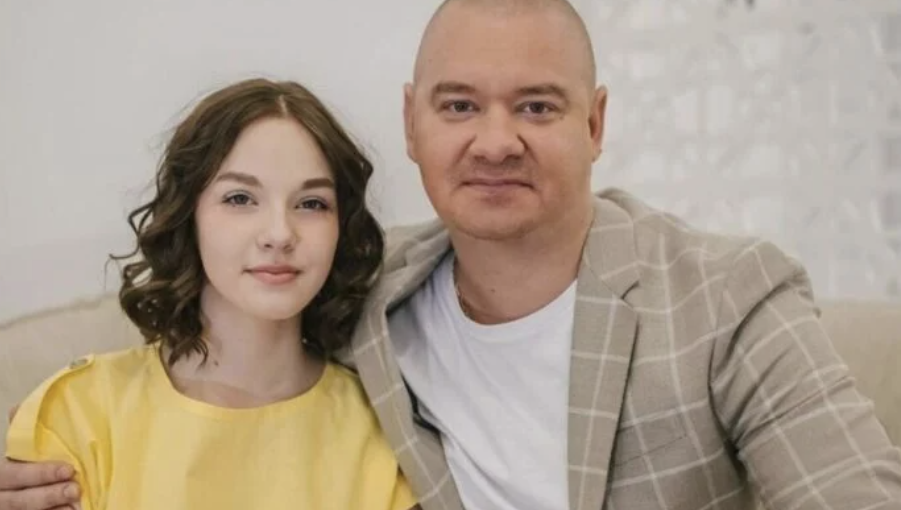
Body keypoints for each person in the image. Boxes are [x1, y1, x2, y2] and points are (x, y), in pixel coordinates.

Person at [3, 0, 901, 509]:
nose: (495, 141)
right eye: (459, 105)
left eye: (537, 106)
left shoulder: (728, 298)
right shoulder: (357, 296)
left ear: (595, 123)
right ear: (412, 123)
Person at [1, 78, 418, 510]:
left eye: (312, 203)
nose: (279, 233)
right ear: (189, 215)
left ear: (340, 228)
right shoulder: (79, 411)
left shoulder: (387, 433)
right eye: (240, 198)